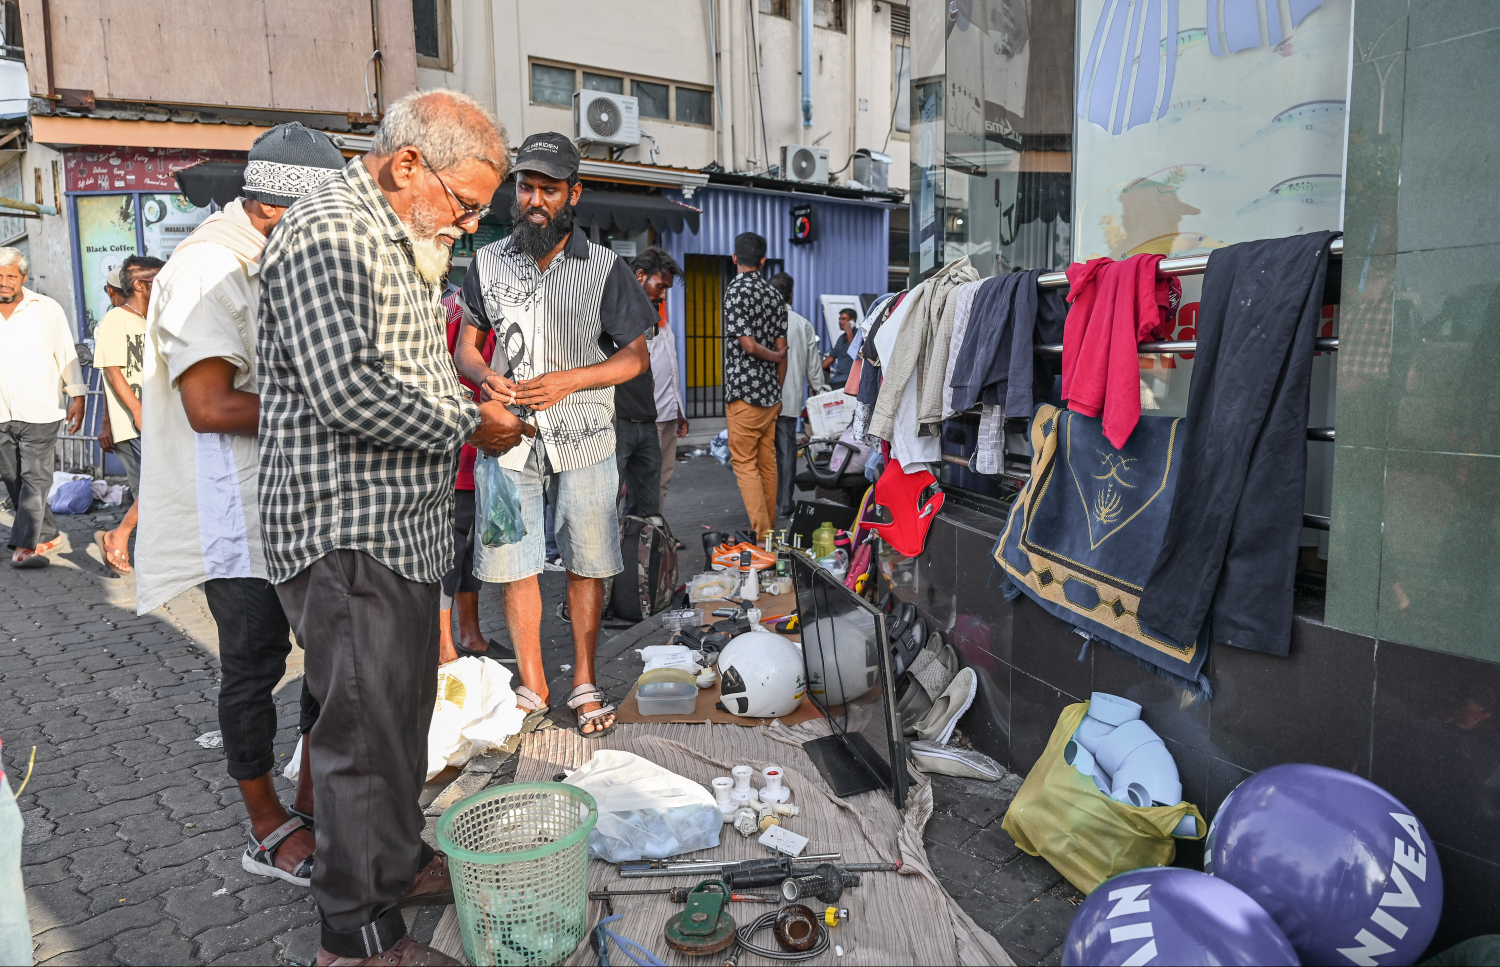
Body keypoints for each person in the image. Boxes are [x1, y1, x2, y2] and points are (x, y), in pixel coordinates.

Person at [258, 92, 524, 967]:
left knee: (401, 720)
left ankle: (397, 861)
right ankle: (358, 937)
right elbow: (349, 390)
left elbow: (404, 365)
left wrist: (468, 395)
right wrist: (470, 423)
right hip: (347, 532)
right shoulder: (329, 231)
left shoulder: (396, 235)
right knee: (362, 739)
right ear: (408, 163)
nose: (471, 224)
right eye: (466, 204)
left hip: (398, 533)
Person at [134, 123, 347, 901]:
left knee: (329, 657)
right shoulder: (206, 268)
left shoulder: (274, 258)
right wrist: (337, 406)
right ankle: (266, 823)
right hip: (237, 514)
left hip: (299, 501)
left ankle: (317, 802)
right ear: (275, 210)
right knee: (255, 666)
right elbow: (210, 405)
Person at [455, 132, 654, 739]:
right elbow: (466, 347)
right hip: (508, 438)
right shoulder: (487, 262)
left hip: (586, 437)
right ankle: (534, 684)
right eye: (526, 187)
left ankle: (586, 679)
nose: (535, 200)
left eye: (548, 189)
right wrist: (484, 376)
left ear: (574, 193)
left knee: (586, 560)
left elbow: (635, 357)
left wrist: (572, 379)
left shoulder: (605, 268)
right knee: (514, 562)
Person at [438, 287, 513, 664]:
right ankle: (442, 647)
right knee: (449, 551)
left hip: (489, 452)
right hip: (459, 449)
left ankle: (469, 634)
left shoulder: (503, 303)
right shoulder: (454, 307)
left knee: (471, 552)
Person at [0, 247, 86, 569]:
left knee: (35, 478)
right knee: (13, 478)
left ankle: (25, 547)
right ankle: (47, 531)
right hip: (1, 412)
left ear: (24, 276)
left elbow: (66, 354)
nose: (4, 282)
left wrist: (77, 396)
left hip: (41, 410)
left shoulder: (47, 310)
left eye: (11, 276)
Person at [93, 254, 164, 573]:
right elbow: (111, 371)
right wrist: (136, 410)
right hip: (135, 421)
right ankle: (118, 537)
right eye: (158, 280)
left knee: (161, 486)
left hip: (162, 416)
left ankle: (130, 542)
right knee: (154, 488)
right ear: (139, 285)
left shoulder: (156, 318)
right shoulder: (115, 319)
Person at [721, 231, 787, 539]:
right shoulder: (775, 295)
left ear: (735, 258)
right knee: (767, 464)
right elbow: (783, 351)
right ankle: (769, 535)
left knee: (744, 463)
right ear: (763, 260)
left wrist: (771, 355)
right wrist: (778, 391)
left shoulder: (735, 290)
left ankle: (761, 537)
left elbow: (748, 345)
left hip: (744, 393)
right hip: (770, 395)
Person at [768, 272, 829, 519]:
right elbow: (815, 370)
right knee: (786, 452)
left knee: (762, 452)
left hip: (759, 402)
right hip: (788, 401)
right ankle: (784, 505)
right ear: (791, 295)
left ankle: (762, 505)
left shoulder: (760, 321)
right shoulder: (803, 324)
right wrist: (822, 394)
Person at [637, 247, 688, 525]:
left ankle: (654, 536)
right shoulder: (631, 320)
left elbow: (669, 369)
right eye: (661, 286)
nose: (664, 294)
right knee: (642, 484)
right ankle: (636, 536)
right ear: (640, 277)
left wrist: (679, 412)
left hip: (667, 414)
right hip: (646, 418)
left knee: (662, 479)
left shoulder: (662, 323)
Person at [823, 307, 857, 389]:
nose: (840, 322)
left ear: (852, 321)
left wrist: (849, 332)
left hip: (850, 380)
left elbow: (855, 352)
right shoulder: (841, 338)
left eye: (844, 319)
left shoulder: (859, 334)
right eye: (840, 319)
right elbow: (830, 359)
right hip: (837, 380)